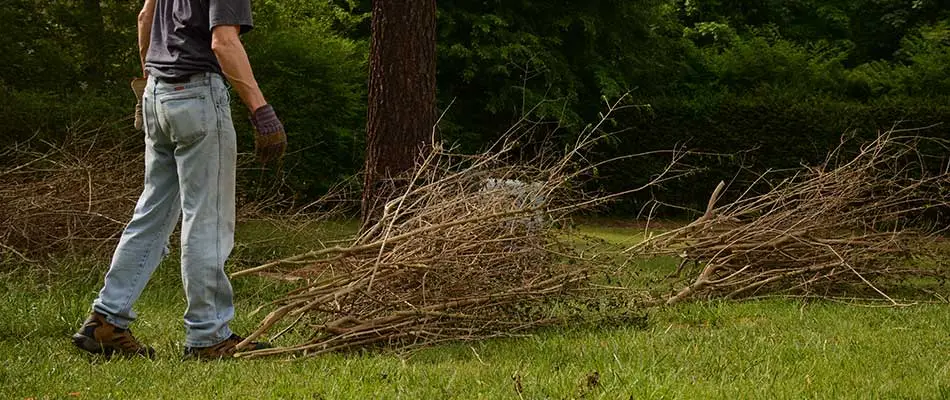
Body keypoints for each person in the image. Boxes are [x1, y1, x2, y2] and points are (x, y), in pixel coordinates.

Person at [71, 0, 287, 360]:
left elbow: (145, 18)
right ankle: (208, 336)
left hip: (156, 91)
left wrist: (149, 87)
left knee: (151, 214)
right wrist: (261, 110)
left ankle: (106, 319)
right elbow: (223, 43)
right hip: (197, 96)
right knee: (208, 219)